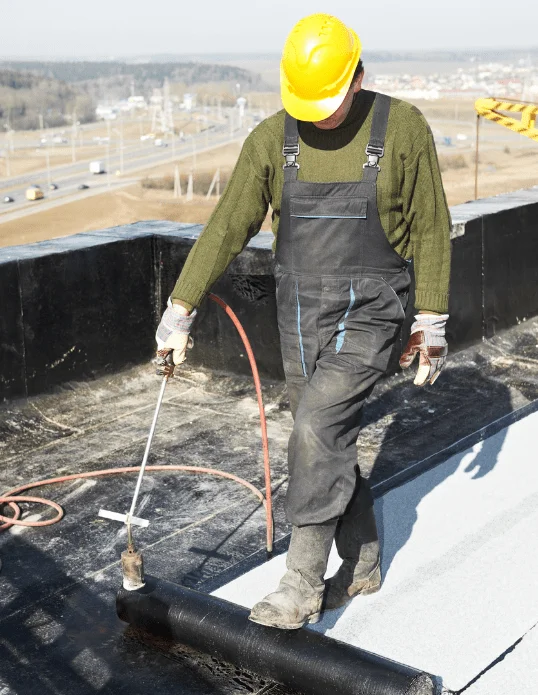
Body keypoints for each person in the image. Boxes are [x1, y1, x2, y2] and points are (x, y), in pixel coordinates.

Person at [156, 13, 451, 630]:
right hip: (297, 314)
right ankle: (365, 560)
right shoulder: (272, 139)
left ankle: (299, 583)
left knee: (315, 427)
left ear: (359, 75)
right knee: (325, 439)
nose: (320, 116)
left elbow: (430, 225)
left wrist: (431, 319)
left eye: (332, 101)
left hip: (373, 310)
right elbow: (228, 223)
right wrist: (179, 309)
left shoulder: (401, 130)